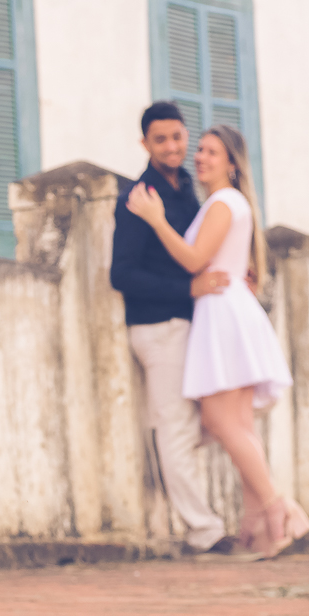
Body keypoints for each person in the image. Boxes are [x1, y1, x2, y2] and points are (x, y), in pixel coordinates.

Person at [126, 124, 309, 557]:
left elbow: (194, 259)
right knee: (239, 426)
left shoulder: (223, 202)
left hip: (222, 313)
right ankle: (260, 527)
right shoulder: (224, 203)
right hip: (226, 311)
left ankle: (277, 508)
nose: (201, 158)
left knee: (223, 423)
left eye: (212, 152)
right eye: (202, 150)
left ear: (232, 162)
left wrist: (155, 220)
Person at [110, 101, 234, 554]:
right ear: (145, 143)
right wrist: (190, 290)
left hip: (192, 329)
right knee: (176, 429)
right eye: (160, 139)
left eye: (178, 137)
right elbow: (121, 276)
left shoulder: (188, 191)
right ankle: (204, 531)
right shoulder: (137, 199)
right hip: (158, 330)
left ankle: (203, 522)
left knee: (212, 419)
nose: (172, 147)